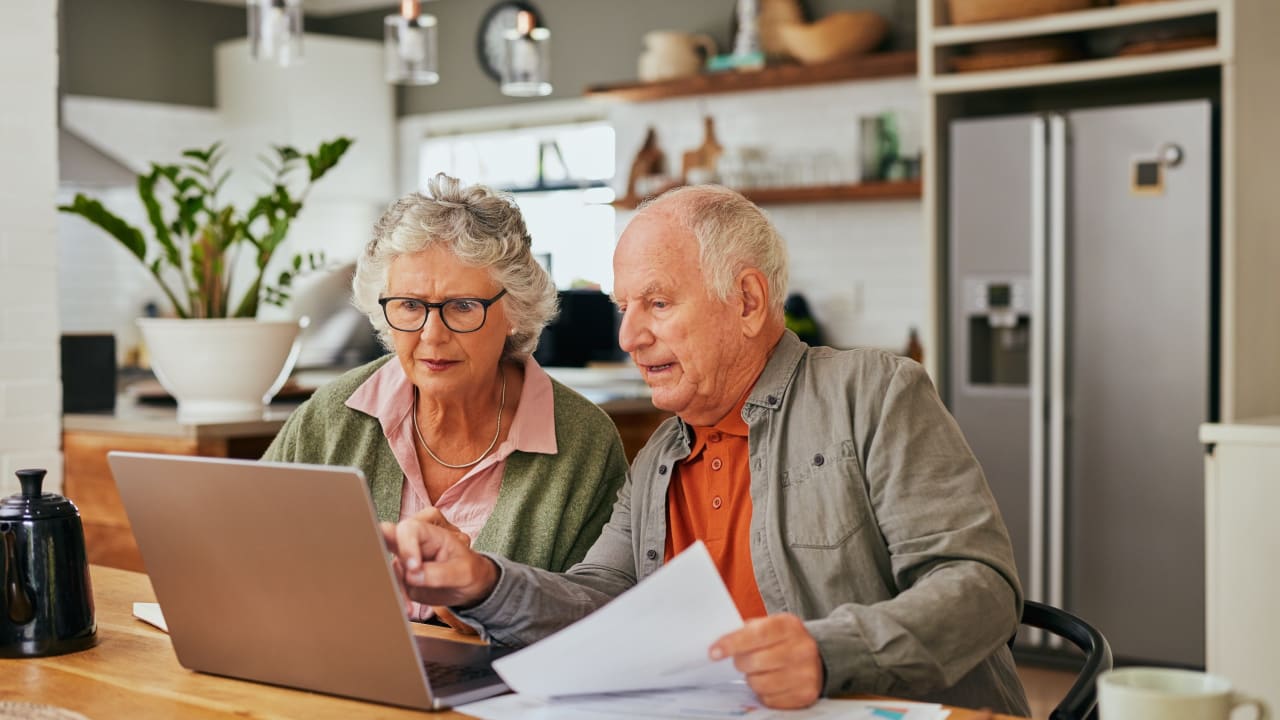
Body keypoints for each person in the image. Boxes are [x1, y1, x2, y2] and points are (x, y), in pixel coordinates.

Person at [381, 184, 1031, 715]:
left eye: (657, 304)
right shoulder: (662, 452)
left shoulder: (874, 393)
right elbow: (600, 602)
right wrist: (483, 583)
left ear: (746, 301)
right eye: (623, 307)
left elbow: (979, 588)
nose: (630, 335)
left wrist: (830, 651)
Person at [263, 174, 629, 626]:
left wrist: (472, 597)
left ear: (514, 311)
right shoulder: (331, 414)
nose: (432, 336)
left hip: (502, 690)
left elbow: (592, 618)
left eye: (461, 307)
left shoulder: (583, 442)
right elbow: (252, 550)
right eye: (410, 306)